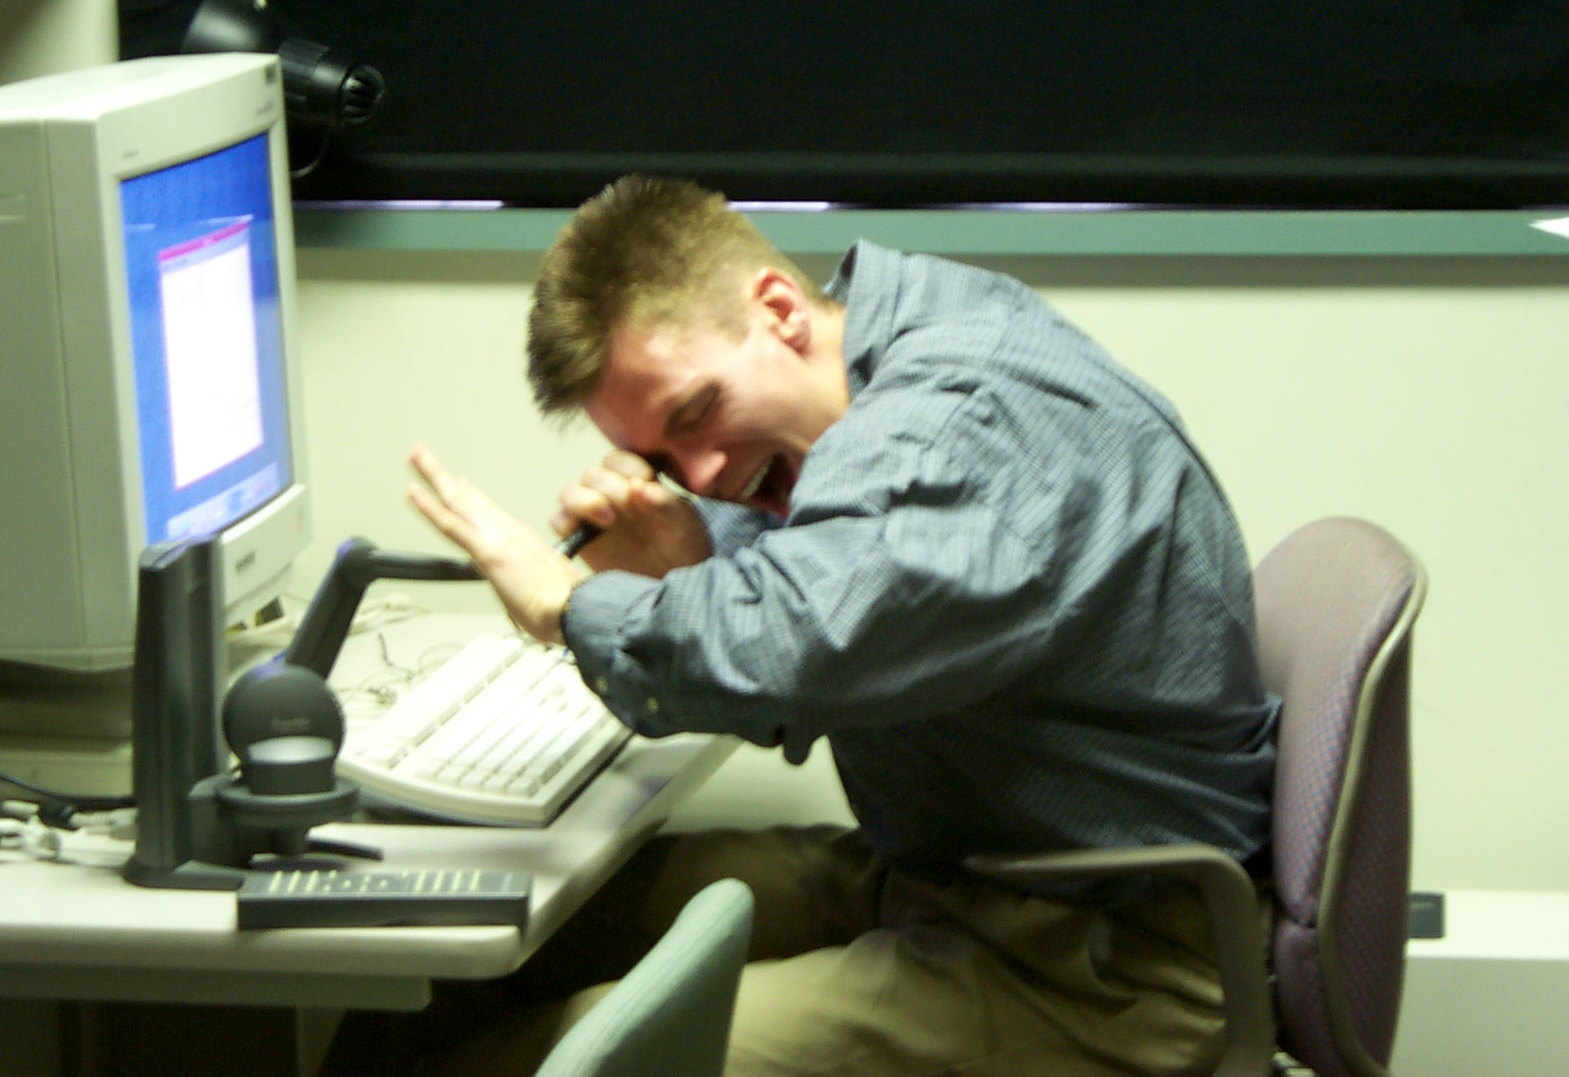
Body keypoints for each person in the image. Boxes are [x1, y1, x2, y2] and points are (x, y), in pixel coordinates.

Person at [394, 174, 1279, 1076]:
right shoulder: (900, 335)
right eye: (662, 458)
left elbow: (799, 641)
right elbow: (840, 565)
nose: (701, 472)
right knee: (472, 941)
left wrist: (570, 605)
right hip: (978, 879)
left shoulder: (956, 426)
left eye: (697, 412)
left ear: (779, 310)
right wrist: (691, 562)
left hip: (1111, 966)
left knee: (555, 1058)